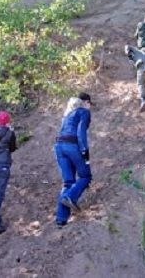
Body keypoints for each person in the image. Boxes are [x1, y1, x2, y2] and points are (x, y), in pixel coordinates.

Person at [54, 92, 93, 227]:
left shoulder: (67, 115)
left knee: (68, 182)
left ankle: (61, 218)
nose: (90, 107)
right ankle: (70, 197)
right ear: (86, 103)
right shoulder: (83, 112)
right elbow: (80, 132)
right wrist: (84, 151)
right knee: (85, 176)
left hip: (59, 146)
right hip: (72, 146)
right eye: (90, 104)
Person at [124, 44, 145, 111]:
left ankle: (144, 100)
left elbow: (127, 46)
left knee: (140, 84)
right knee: (144, 82)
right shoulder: (142, 53)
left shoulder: (135, 51)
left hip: (143, 65)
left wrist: (128, 52)